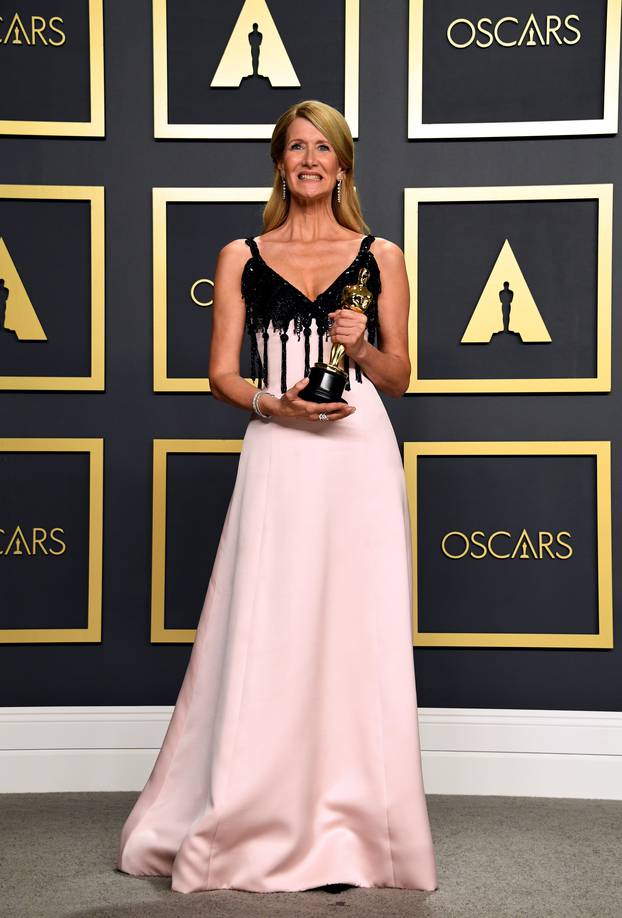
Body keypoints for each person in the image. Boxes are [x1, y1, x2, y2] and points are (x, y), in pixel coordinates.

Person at [116, 99, 439, 895]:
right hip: (280, 450)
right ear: (279, 161)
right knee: (267, 625)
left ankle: (356, 827)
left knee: (353, 630)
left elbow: (400, 378)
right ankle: (245, 817)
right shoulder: (240, 255)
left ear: (342, 164)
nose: (309, 160)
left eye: (322, 148)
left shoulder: (381, 255)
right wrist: (276, 405)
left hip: (357, 457)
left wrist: (360, 343)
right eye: (296, 147)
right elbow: (221, 374)